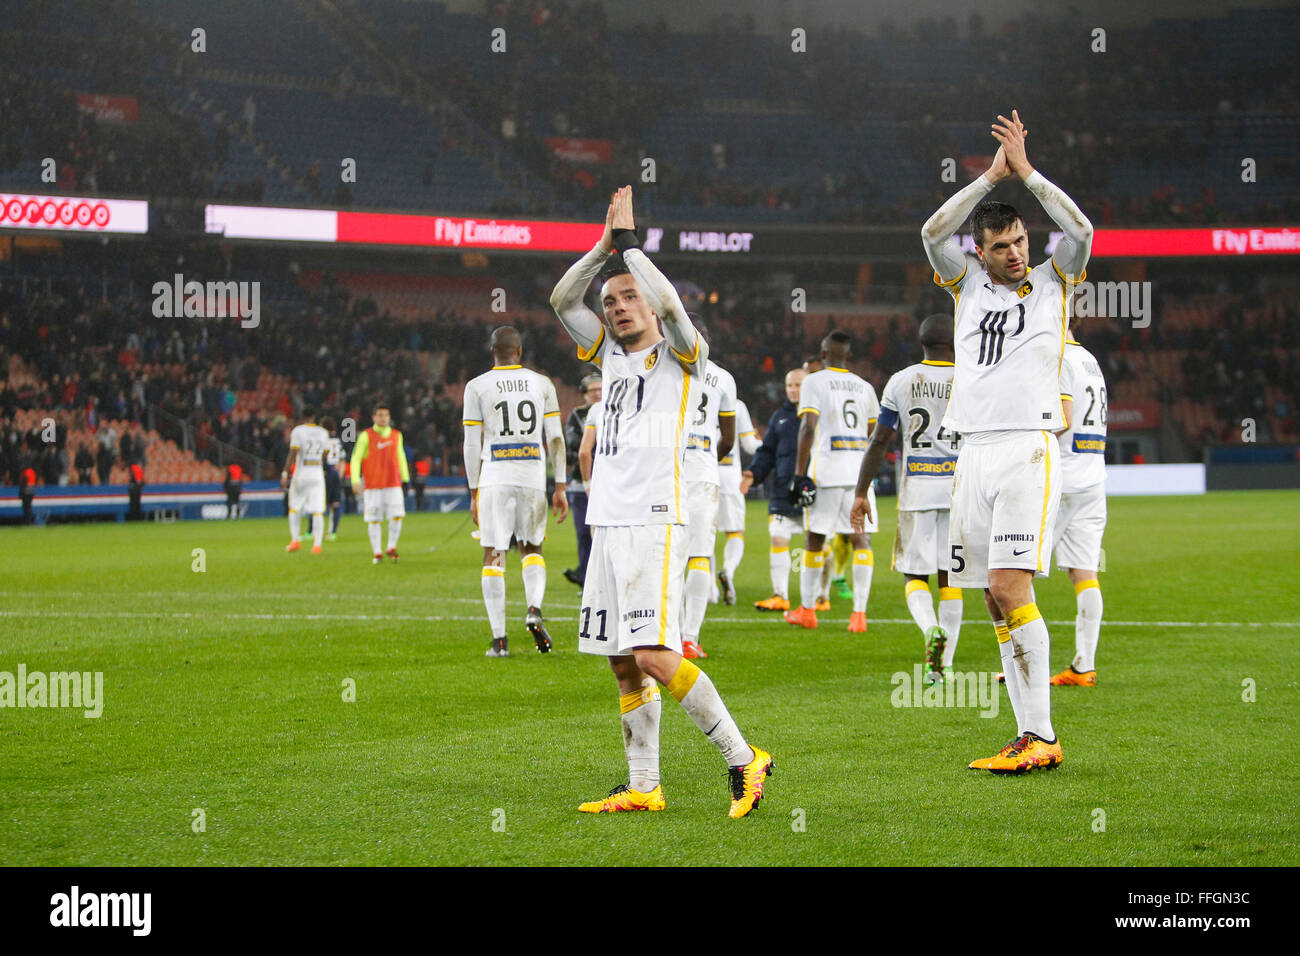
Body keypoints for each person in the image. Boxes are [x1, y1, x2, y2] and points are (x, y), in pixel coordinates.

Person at [549, 185, 772, 818]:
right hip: (609, 520)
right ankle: (644, 785)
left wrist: (631, 248)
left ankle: (741, 756)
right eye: (612, 301)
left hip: (654, 515)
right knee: (623, 662)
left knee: (652, 650)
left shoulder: (684, 354)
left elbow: (671, 302)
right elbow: (563, 299)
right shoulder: (610, 356)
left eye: (628, 298)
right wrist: (601, 250)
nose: (617, 308)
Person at [921, 110, 1093, 773]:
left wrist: (1026, 173)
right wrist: (986, 177)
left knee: (1009, 584)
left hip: (1027, 447)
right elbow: (932, 232)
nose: (1016, 252)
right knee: (993, 596)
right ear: (981, 251)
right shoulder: (963, 284)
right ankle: (1028, 735)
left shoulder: (1054, 280)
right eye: (1001, 246)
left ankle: (1043, 735)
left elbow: (1081, 229)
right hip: (972, 454)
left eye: (1021, 240)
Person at [851, 314, 963, 684]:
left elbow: (880, 440)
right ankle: (943, 667)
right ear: (955, 339)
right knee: (952, 577)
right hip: (961, 489)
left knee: (916, 573)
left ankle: (930, 628)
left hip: (917, 487)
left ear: (922, 342)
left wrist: (861, 492)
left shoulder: (901, 381)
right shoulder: (971, 377)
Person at [462, 326, 568, 657]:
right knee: (531, 547)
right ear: (519, 351)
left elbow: (470, 443)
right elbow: (555, 438)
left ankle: (500, 641)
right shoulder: (542, 384)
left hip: (495, 475)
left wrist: (473, 490)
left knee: (494, 552)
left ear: (492, 351)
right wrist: (560, 484)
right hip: (532, 475)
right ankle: (533, 609)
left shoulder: (476, 387)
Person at [785, 331, 880, 632]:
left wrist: (799, 474)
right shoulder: (865, 387)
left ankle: (808, 611)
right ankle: (859, 615)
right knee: (860, 538)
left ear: (823, 354)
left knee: (814, 539)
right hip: (858, 474)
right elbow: (876, 436)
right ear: (849, 357)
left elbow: (808, 428)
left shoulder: (814, 381)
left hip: (825, 471)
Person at [1049, 318, 1108, 687]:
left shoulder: (1058, 360)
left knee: (1012, 573)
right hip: (1093, 480)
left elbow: (1064, 419)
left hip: (1062, 480)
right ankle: (1084, 666)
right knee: (1084, 573)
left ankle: (1020, 666)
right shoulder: (1091, 361)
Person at [678, 324, 736, 660]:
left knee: (668, 555)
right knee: (699, 555)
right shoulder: (723, 378)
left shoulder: (663, 370)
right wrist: (706, 461)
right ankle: (690, 638)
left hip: (665, 473)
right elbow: (726, 438)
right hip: (703, 474)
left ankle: (664, 634)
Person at [742, 368, 806, 611]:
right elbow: (767, 452)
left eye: (798, 385)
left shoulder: (819, 415)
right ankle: (781, 595)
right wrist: (754, 474)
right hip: (783, 490)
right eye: (790, 385)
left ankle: (820, 597)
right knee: (778, 538)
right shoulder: (780, 417)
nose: (793, 390)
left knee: (819, 544)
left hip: (812, 491)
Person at [350, 404, 410, 564]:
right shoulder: (366, 436)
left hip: (393, 483)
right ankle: (377, 551)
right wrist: (355, 480)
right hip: (373, 485)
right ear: (374, 418)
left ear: (389, 418)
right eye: (380, 415)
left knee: (397, 515)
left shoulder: (397, 435)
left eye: (386, 415)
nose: (383, 418)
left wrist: (406, 479)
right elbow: (356, 458)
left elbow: (401, 457)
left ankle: (391, 546)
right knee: (374, 519)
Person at [716, 398, 760, 605]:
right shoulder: (736, 404)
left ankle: (708, 591)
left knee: (700, 537)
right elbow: (750, 446)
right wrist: (771, 445)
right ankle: (729, 571)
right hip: (730, 478)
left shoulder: (688, 393)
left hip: (697, 475)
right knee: (735, 531)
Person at [564, 372, 602, 586]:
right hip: (582, 483)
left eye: (601, 389)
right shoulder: (577, 416)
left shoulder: (615, 411)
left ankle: (600, 579)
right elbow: (573, 448)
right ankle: (586, 579)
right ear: (584, 394)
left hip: (609, 483)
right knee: (584, 532)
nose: (598, 393)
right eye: (593, 390)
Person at [282, 408, 330, 554]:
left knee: (294, 507)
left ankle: (295, 540)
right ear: (314, 417)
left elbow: (293, 452)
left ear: (302, 417)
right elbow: (326, 453)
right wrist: (320, 463)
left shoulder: (298, 431)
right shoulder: (323, 432)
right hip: (317, 473)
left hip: (302, 473)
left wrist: (285, 472)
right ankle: (317, 545)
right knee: (317, 511)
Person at [320, 416, 343, 539]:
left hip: (326, 471)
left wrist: (323, 469)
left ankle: (314, 532)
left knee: (321, 504)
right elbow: (343, 457)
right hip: (336, 472)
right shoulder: (338, 440)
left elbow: (324, 454)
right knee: (336, 503)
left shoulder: (323, 438)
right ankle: (333, 532)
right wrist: (341, 473)